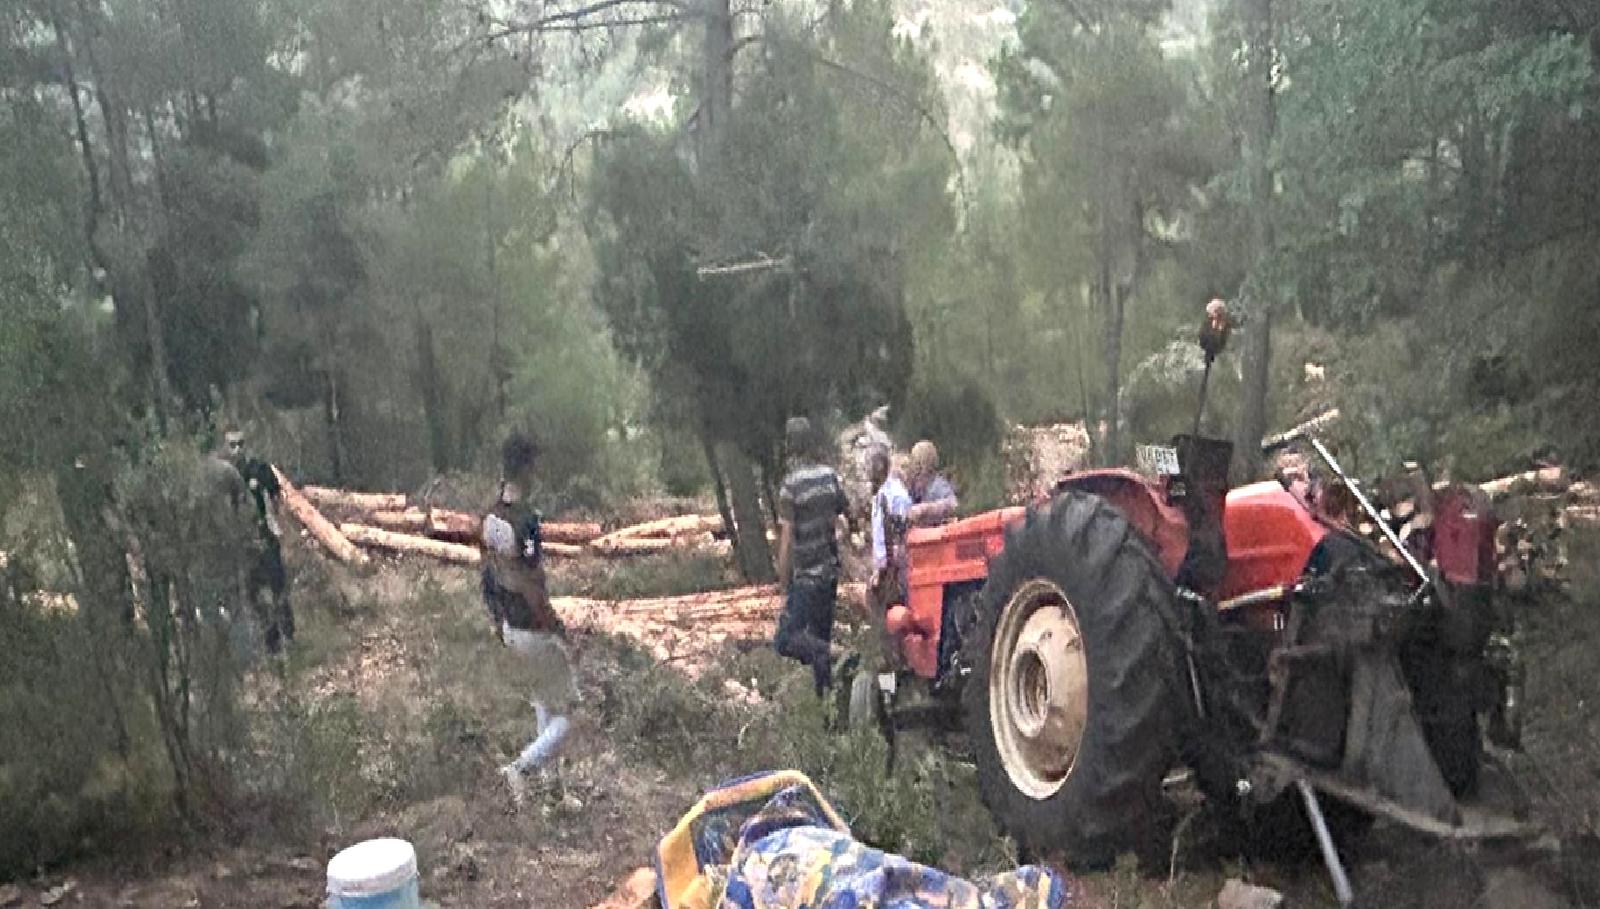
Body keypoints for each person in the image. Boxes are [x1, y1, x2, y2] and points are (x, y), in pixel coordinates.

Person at [481, 432, 578, 806]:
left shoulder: (490, 518)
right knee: (569, 714)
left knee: (543, 704)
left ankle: (553, 792)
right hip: (534, 628)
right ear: (525, 468)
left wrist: (498, 621)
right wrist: (556, 626)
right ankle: (521, 769)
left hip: (509, 626)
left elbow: (487, 576)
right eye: (535, 465)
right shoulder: (527, 522)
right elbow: (533, 583)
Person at [774, 416, 850, 697]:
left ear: (790, 446)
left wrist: (783, 585)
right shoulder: (829, 477)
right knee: (819, 638)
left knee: (785, 639)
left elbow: (787, 540)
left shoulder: (790, 487)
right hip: (829, 574)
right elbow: (845, 515)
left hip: (806, 577)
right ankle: (828, 709)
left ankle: (839, 653)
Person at [215, 427, 293, 654]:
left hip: (264, 536)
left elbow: (277, 496)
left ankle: (289, 634)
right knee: (253, 593)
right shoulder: (222, 476)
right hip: (241, 543)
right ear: (225, 447)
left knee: (278, 586)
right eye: (232, 445)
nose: (237, 449)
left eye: (241, 444)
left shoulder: (258, 468)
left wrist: (275, 523)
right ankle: (271, 642)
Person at [867, 447, 911, 669]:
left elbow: (893, 535)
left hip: (894, 570)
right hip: (893, 567)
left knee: (890, 619)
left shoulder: (890, 496)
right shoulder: (887, 494)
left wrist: (882, 570)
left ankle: (896, 667)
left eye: (870, 467)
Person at [906, 440, 958, 527]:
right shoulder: (912, 485)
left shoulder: (938, 484)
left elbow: (953, 504)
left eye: (919, 462)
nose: (915, 467)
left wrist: (925, 508)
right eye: (915, 462)